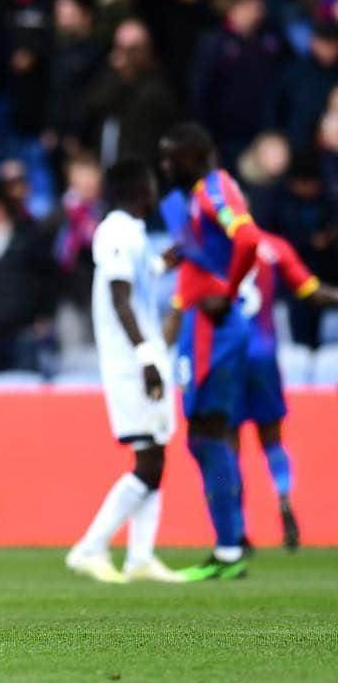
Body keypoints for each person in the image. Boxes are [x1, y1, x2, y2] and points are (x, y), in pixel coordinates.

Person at [169, 229, 338, 550]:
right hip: (264, 353)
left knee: (225, 446)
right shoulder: (275, 246)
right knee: (272, 439)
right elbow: (311, 292)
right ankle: (284, 496)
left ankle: (236, 525)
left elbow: (184, 305)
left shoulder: (210, 252)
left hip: (226, 354)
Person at [65, 159, 183, 584]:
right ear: (138, 188)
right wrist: (148, 358)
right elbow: (121, 298)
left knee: (156, 451)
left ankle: (140, 557)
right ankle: (89, 548)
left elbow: (147, 272)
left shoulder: (132, 233)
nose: (155, 191)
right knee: (148, 460)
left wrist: (177, 253)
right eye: (150, 183)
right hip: (131, 360)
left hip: (144, 356)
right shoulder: (115, 229)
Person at [158, 122, 260, 581]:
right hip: (200, 323)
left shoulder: (215, 188)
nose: (165, 167)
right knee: (207, 435)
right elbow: (208, 254)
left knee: (206, 433)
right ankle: (232, 540)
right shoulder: (200, 196)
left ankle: (230, 546)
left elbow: (248, 238)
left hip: (214, 326)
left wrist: (229, 288)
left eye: (170, 157)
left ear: (194, 156)